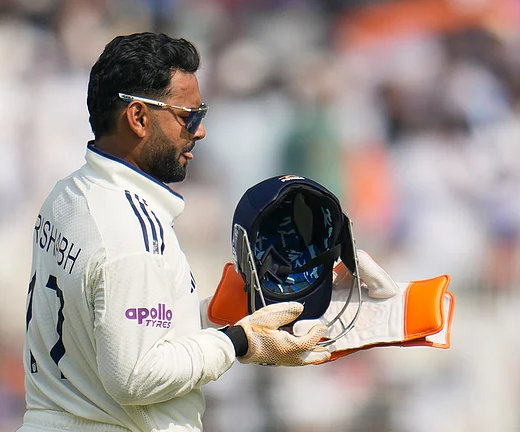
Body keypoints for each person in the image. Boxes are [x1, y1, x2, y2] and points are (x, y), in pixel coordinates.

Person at [18, 32, 330, 432]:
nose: (198, 132)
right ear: (139, 118)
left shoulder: (67, 195)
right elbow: (135, 376)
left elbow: (107, 324)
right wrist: (239, 341)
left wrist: (211, 315)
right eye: (189, 117)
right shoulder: (132, 232)